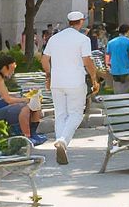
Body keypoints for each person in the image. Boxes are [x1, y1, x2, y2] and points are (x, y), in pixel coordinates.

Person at [42, 11, 100, 165]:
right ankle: (63, 141)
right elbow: (87, 61)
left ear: (68, 21)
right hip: (75, 81)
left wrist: (49, 76)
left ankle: (61, 145)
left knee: (60, 114)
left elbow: (44, 59)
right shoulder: (83, 39)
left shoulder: (54, 38)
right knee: (76, 114)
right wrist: (94, 79)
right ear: (81, 22)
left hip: (57, 81)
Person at [0, 54, 45, 145]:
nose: (13, 71)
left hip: (3, 107)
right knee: (25, 108)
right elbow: (8, 99)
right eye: (12, 68)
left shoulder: (0, 77)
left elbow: (5, 96)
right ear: (5, 67)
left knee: (35, 106)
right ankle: (27, 136)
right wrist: (25, 99)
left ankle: (33, 133)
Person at [105, 24, 129, 94]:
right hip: (127, 70)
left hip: (114, 70)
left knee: (117, 92)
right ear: (128, 31)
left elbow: (108, 55)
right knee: (126, 93)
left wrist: (108, 68)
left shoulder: (110, 42)